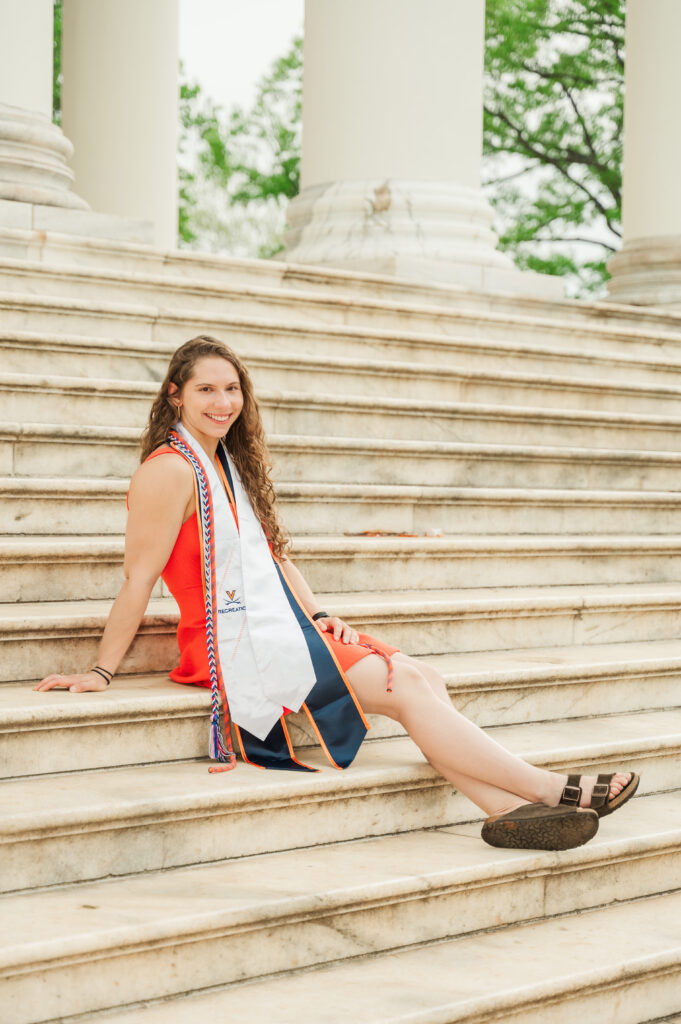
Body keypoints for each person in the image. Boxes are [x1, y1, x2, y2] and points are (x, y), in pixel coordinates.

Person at [35, 336, 639, 851]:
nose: (223, 403)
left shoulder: (224, 466)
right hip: (233, 641)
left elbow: (276, 560)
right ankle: (545, 787)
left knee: (421, 674)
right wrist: (100, 671)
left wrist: (322, 616)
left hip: (281, 625)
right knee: (405, 686)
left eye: (232, 389)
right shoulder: (169, 470)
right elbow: (138, 578)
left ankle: (503, 812)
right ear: (175, 395)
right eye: (206, 391)